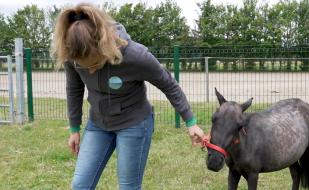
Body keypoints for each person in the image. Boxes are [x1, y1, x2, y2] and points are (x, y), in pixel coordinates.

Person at [51, 3, 204, 190]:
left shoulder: (135, 56)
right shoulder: (72, 55)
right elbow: (74, 88)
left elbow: (169, 84)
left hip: (134, 124)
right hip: (98, 124)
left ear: (103, 46)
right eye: (84, 66)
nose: (90, 70)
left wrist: (190, 122)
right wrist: (74, 128)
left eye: (94, 63)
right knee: (80, 185)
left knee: (128, 187)